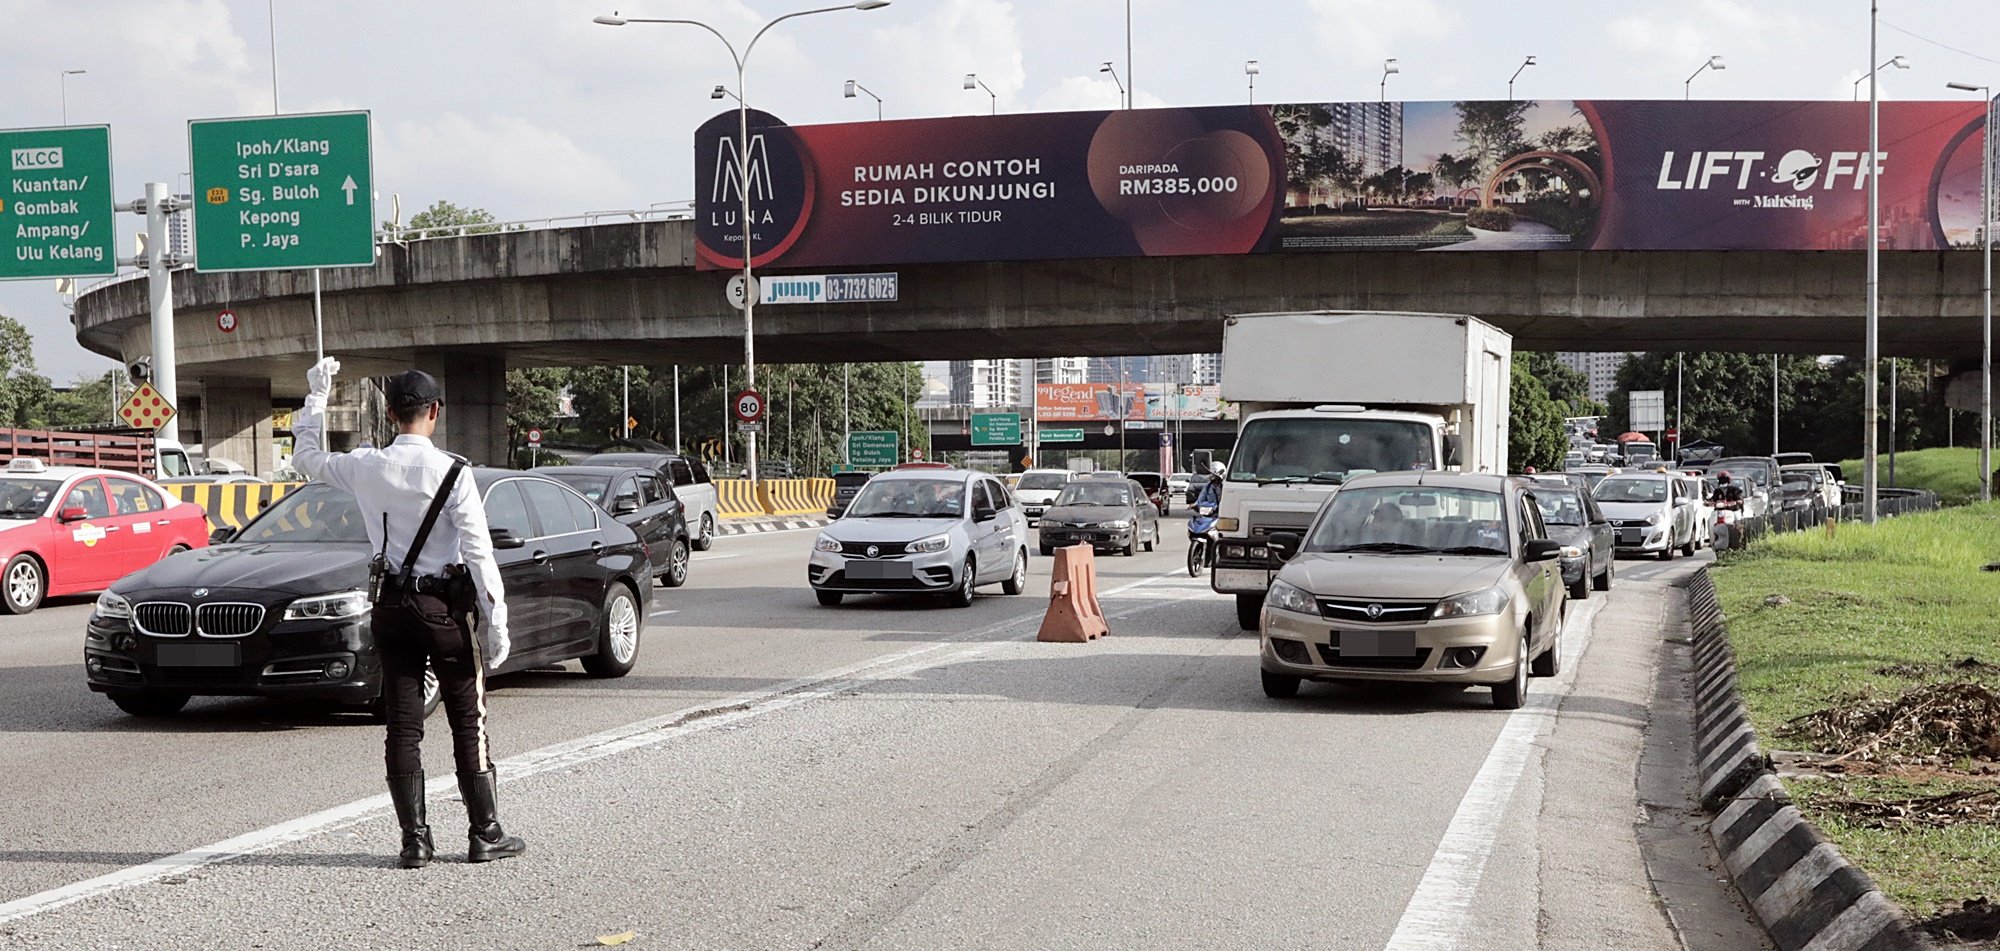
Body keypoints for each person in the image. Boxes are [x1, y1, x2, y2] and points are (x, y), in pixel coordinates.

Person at [291, 358, 526, 869]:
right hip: (442, 609)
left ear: (390, 412)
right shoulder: (454, 472)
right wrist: (497, 617)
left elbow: (305, 458)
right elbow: (479, 551)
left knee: (402, 723)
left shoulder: (365, 465)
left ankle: (414, 840)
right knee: (468, 719)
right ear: (435, 412)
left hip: (391, 607)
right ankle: (484, 832)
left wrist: (316, 400)